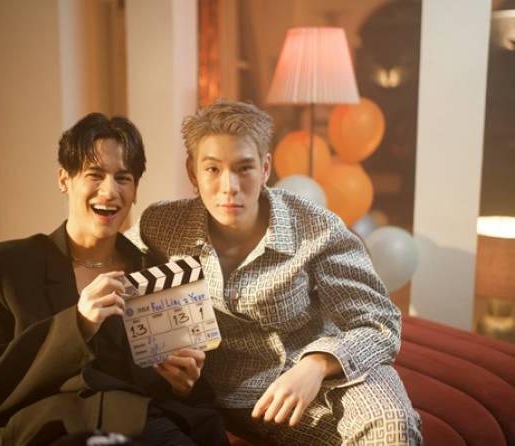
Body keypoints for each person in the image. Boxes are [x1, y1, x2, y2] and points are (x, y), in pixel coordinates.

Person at [130, 100, 422, 445]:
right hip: (243, 400)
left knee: (393, 427)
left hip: (335, 375)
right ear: (193, 172)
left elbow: (381, 323)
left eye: (244, 168)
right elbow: (108, 257)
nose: (229, 186)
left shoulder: (316, 228)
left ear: (265, 168)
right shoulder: (161, 225)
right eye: (212, 169)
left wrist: (317, 364)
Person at [0, 113, 229, 446]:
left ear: (136, 189)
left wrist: (182, 384)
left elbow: (178, 387)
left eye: (123, 178)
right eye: (95, 175)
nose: (109, 191)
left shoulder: (154, 272)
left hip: (148, 426)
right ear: (64, 179)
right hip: (58, 432)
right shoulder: (5, 266)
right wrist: (77, 323)